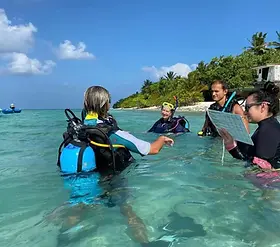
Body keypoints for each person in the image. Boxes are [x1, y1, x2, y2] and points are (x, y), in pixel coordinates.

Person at [57, 86, 174, 246]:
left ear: (85, 104)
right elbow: (152, 150)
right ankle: (145, 243)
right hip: (112, 179)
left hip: (88, 177)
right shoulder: (112, 133)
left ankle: (61, 240)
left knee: (77, 209)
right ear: (106, 105)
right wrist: (161, 139)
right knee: (127, 210)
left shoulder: (79, 129)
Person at [219, 82, 280, 170]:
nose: (244, 112)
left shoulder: (268, 130)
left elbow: (261, 168)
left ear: (263, 106)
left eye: (248, 107)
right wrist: (232, 145)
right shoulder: (269, 127)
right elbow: (250, 155)